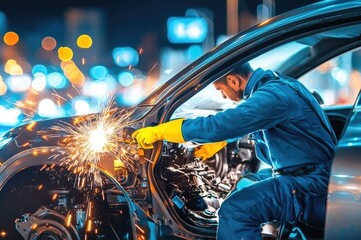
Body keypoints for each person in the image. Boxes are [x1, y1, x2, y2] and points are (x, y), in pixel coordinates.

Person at [132, 63, 337, 239]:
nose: (222, 95)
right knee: (245, 183)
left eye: (220, 89)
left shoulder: (273, 95)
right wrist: (218, 142)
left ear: (233, 81)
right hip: (311, 176)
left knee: (235, 209)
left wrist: (163, 131)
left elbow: (225, 123)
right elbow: (253, 121)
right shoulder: (280, 85)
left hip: (311, 187)